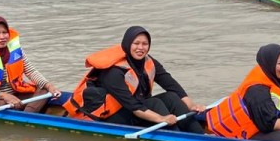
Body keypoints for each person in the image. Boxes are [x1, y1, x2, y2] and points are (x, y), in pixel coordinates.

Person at [63, 27, 205, 132]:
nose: (140, 48)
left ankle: (199, 135)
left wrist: (191, 106)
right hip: (109, 116)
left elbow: (171, 85)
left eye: (145, 44)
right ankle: (177, 137)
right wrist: (162, 119)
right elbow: (135, 107)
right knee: (155, 103)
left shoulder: (149, 61)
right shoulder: (113, 72)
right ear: (127, 44)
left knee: (171, 97)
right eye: (136, 43)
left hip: (133, 109)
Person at [0, 15, 60, 111]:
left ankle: (27, 116)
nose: (2, 37)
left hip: (14, 94)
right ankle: (25, 115)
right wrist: (4, 96)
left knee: (44, 90)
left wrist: (49, 86)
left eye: (5, 32)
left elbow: (31, 71)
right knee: (4, 103)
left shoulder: (15, 49)